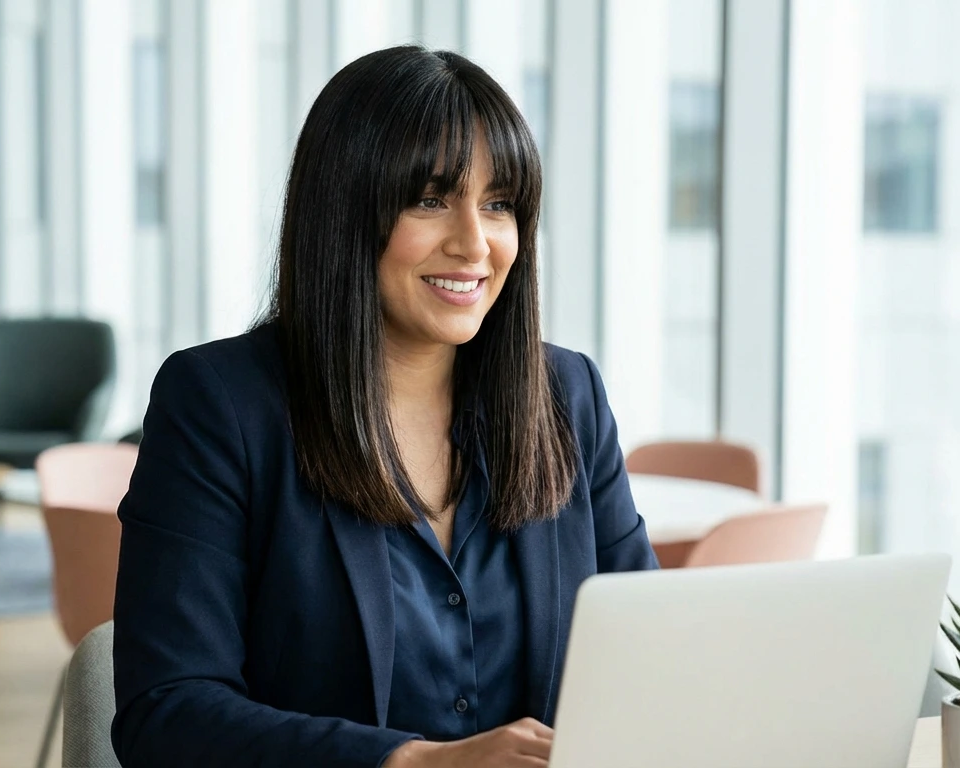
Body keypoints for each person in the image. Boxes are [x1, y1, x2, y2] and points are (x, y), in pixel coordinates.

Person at [111, 45, 658, 768]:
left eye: (499, 205)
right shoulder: (220, 406)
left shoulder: (568, 398)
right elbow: (167, 708)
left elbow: (648, 653)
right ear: (345, 212)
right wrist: (416, 763)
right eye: (430, 199)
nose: (474, 243)